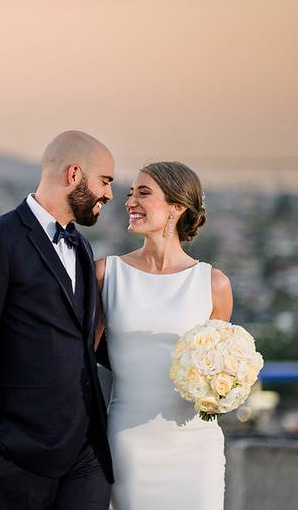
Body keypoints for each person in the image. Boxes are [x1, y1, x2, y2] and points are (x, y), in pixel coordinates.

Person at [0, 130, 116, 510]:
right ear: (74, 174)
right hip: (18, 450)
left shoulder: (82, 245)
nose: (108, 194)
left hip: (87, 450)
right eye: (104, 181)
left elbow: (83, 339)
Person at [96, 161, 232, 509]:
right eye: (129, 194)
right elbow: (80, 361)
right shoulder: (106, 275)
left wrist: (227, 390)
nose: (130, 202)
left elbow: (222, 369)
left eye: (143, 193)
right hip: (128, 443)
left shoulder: (213, 284)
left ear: (176, 206)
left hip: (195, 446)